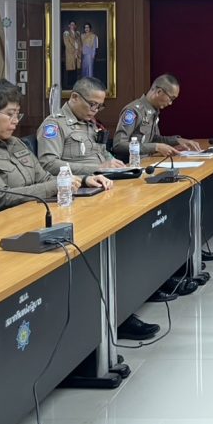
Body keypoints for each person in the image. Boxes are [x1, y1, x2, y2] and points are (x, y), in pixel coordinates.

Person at [36, 76, 159, 342]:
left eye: (99, 106)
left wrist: (114, 163)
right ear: (74, 98)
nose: (95, 110)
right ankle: (117, 315)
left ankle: (145, 288)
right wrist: (95, 168)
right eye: (92, 104)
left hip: (102, 187)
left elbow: (102, 154)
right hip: (76, 196)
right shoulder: (54, 125)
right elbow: (48, 164)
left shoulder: (90, 123)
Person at [0, 78, 111, 222]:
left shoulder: (15, 143)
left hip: (33, 218)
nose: (15, 121)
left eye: (17, 115)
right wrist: (56, 186)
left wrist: (83, 180)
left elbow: (44, 177)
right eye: (10, 114)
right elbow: (0, 198)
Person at [112, 74, 202, 158]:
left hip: (148, 161)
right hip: (132, 164)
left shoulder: (153, 111)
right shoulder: (133, 111)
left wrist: (177, 141)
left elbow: (154, 139)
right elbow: (118, 145)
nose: (170, 103)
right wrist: (156, 147)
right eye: (171, 98)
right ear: (159, 92)